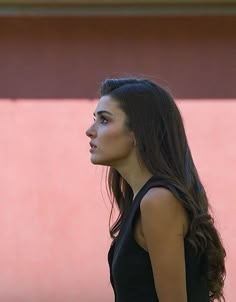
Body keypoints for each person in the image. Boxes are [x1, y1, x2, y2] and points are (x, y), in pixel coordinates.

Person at [85, 78, 226, 302]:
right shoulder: (145, 200)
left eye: (104, 120)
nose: (89, 131)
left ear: (138, 132)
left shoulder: (158, 200)